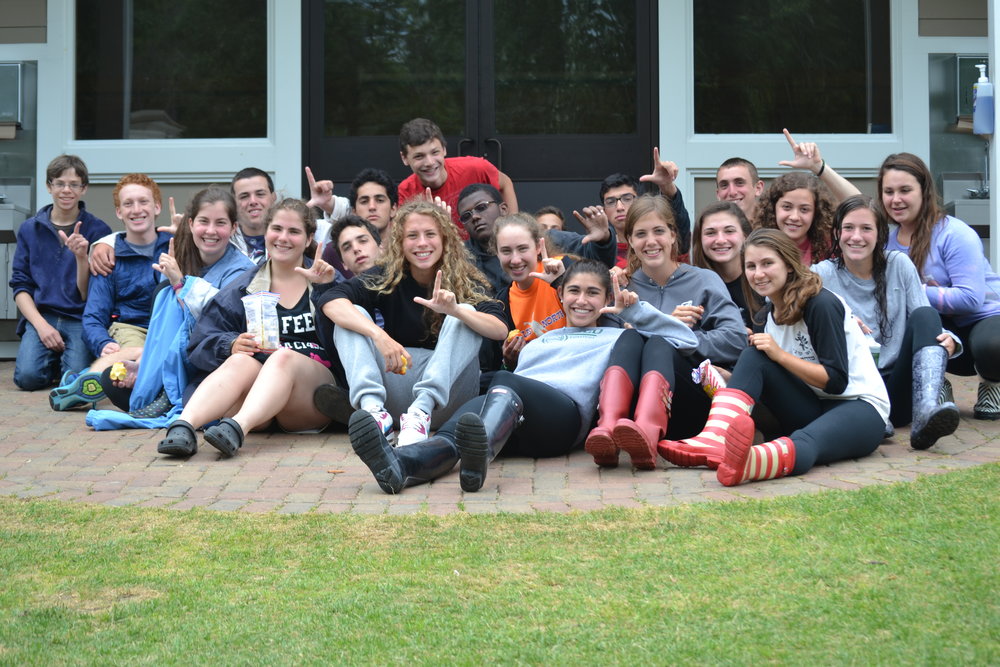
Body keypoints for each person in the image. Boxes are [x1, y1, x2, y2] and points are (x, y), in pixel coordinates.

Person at [348, 259, 698, 494]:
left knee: (503, 386)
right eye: (574, 291)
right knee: (463, 423)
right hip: (514, 418)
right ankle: (401, 466)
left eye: (593, 293)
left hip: (563, 418)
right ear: (560, 295)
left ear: (608, 297)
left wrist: (634, 311)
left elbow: (685, 341)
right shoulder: (540, 341)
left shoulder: (617, 336)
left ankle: (481, 449)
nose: (582, 300)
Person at [659, 229, 890, 486]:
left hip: (859, 408)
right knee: (753, 355)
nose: (758, 274)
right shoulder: (765, 317)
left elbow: (836, 381)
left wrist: (779, 355)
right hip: (812, 407)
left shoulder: (820, 304)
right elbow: (780, 375)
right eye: (751, 266)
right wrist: (731, 380)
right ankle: (716, 439)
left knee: (805, 441)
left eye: (767, 263)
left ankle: (748, 463)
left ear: (789, 265)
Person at [316, 200, 508, 448]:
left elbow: (499, 329)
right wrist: (378, 335)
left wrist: (455, 310)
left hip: (449, 397)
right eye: (412, 236)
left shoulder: (466, 279)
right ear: (400, 242)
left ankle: (421, 411)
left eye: (430, 234)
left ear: (445, 239)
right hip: (398, 384)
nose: (422, 243)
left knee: (466, 314)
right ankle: (374, 414)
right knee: (352, 316)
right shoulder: (387, 275)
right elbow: (330, 301)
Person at [156, 198, 336, 458]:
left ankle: (235, 429)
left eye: (294, 231)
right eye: (276, 229)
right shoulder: (242, 287)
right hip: (259, 407)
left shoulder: (328, 279)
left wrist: (326, 290)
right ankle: (183, 427)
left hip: (309, 398)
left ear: (309, 239)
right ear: (266, 231)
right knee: (239, 360)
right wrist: (230, 344)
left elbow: (350, 339)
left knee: (282, 357)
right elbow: (201, 341)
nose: (283, 238)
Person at [585, 195, 746, 468]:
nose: (651, 241)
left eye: (659, 231)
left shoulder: (704, 280)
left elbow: (736, 339)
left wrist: (672, 334)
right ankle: (608, 429)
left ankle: (648, 430)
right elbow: (609, 345)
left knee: (659, 341)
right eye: (641, 234)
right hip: (631, 414)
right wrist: (659, 325)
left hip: (691, 403)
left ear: (673, 235)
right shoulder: (623, 287)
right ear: (630, 241)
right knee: (630, 336)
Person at [85, 187, 256, 429]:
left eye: (220, 223)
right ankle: (156, 385)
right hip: (185, 358)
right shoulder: (183, 258)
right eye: (203, 221)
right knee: (112, 379)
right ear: (191, 223)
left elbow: (218, 321)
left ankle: (167, 394)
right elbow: (165, 329)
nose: (210, 231)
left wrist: (181, 284)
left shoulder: (242, 269)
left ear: (234, 227)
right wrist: (144, 365)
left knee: (173, 294)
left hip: (217, 360)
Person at [813, 195, 960, 449]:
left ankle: (925, 412)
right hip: (853, 388)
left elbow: (924, 320)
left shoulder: (899, 264)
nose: (856, 236)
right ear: (837, 233)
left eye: (866, 228)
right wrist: (842, 319)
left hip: (896, 387)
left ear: (880, 234)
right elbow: (783, 301)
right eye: (848, 228)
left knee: (926, 314)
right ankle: (872, 418)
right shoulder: (822, 273)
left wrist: (952, 340)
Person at [879, 152, 1000, 420]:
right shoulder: (886, 242)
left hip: (985, 320)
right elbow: (856, 206)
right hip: (939, 330)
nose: (895, 199)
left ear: (924, 191)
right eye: (888, 191)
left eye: (905, 190)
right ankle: (936, 384)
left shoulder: (955, 233)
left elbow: (970, 299)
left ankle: (994, 383)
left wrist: (913, 291)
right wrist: (821, 169)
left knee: (994, 346)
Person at [50, 174, 172, 410]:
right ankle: (93, 383)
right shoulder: (108, 257)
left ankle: (82, 380)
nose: (136, 210)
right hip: (130, 328)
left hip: (168, 326)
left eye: (143, 202)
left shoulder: (176, 246)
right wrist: (103, 343)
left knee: (159, 357)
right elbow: (93, 315)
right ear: (119, 212)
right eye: (128, 204)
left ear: (157, 207)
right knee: (139, 356)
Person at [10, 155, 111, 391]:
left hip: (80, 317)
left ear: (84, 189)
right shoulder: (30, 229)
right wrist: (41, 326)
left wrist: (81, 258)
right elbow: (20, 286)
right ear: (49, 186)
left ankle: (61, 363)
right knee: (27, 378)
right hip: (42, 314)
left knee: (75, 380)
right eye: (60, 183)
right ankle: (53, 361)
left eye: (74, 184)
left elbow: (88, 294)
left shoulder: (98, 230)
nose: (66, 190)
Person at [457, 184, 616, 295]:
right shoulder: (461, 259)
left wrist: (603, 240)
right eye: (466, 216)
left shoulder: (545, 237)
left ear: (503, 209)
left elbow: (599, 264)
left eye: (481, 207)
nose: (475, 217)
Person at [396, 118, 518, 231]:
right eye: (419, 156)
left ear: (444, 149)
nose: (430, 162)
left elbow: (505, 183)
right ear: (404, 158)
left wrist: (511, 228)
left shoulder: (474, 167)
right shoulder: (405, 193)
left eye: (435, 152)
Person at [691, 201, 758, 329]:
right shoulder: (690, 286)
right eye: (710, 233)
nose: (720, 240)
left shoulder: (762, 279)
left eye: (729, 231)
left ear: (745, 235)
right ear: (699, 239)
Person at [320, 169, 396, 279]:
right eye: (364, 201)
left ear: (393, 209)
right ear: (354, 211)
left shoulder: (407, 246)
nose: (372, 207)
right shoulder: (333, 252)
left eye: (380, 200)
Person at [755, 171, 835, 265]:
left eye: (804, 209)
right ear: (773, 208)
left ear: (816, 213)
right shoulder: (756, 246)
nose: (794, 217)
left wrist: (820, 168)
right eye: (787, 207)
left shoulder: (828, 248)